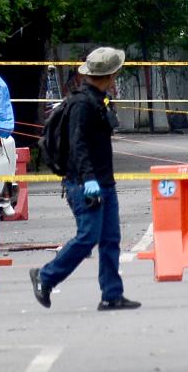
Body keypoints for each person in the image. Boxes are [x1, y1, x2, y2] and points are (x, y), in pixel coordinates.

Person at [31, 47, 140, 312]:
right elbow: (78, 144)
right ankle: (45, 276)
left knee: (110, 238)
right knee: (88, 236)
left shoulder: (100, 100)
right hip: (84, 183)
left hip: (104, 181)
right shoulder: (82, 104)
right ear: (111, 76)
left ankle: (112, 295)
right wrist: (89, 180)